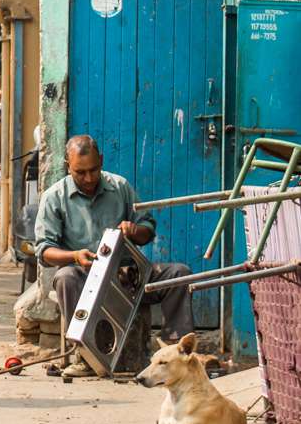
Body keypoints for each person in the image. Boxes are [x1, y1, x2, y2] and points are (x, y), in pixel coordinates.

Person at [35, 134, 194, 378]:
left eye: (93, 170)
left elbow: (148, 229)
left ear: (102, 160)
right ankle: (83, 356)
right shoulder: (54, 197)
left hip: (128, 275)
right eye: (80, 172)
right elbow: (44, 251)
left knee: (178, 274)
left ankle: (177, 353)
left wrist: (134, 230)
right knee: (65, 277)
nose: (88, 178)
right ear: (68, 166)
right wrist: (75, 256)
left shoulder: (119, 186)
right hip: (85, 276)